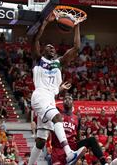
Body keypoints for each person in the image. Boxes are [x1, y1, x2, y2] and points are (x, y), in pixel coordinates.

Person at [28, 13, 86, 165]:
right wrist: (46, 22)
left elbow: (76, 47)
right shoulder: (38, 60)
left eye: (53, 47)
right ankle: (69, 154)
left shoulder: (60, 63)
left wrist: (77, 24)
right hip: (40, 95)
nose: (51, 48)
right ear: (43, 51)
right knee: (58, 118)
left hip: (50, 98)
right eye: (48, 47)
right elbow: (35, 39)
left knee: (41, 140)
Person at [51, 95, 117, 165]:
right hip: (58, 147)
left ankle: (105, 163)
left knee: (92, 140)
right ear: (63, 103)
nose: (67, 100)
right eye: (65, 99)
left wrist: (81, 146)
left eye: (69, 99)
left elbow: (77, 134)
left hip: (72, 146)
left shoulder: (77, 118)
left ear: (73, 104)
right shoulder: (57, 115)